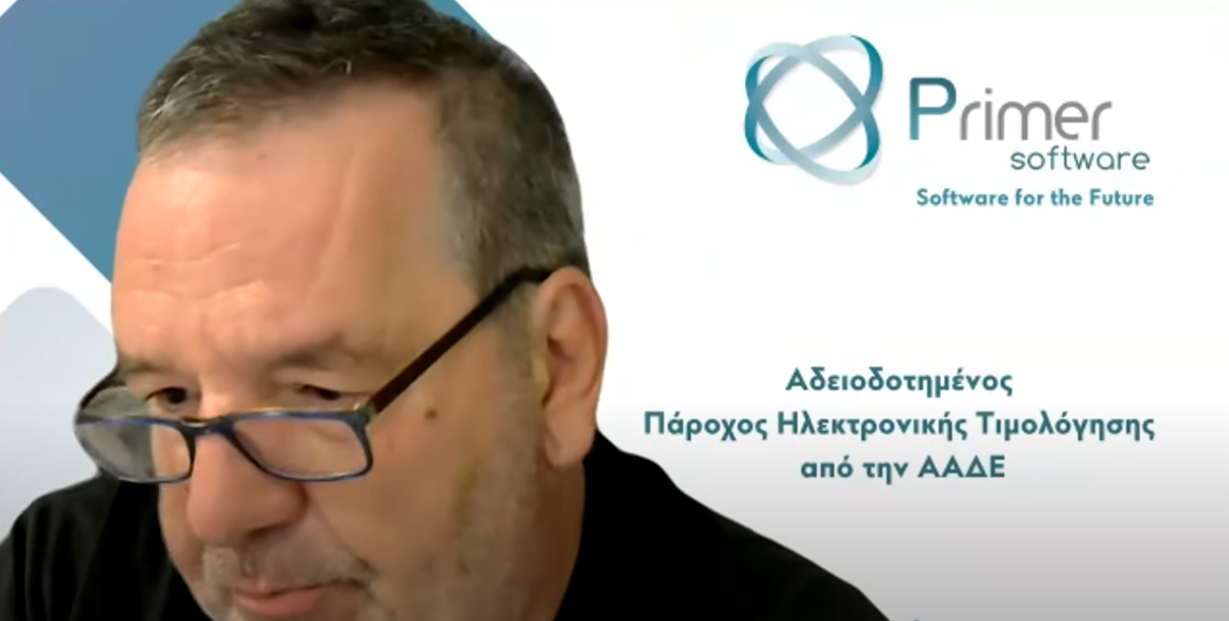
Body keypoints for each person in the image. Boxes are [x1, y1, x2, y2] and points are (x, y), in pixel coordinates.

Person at [0, 1, 890, 620]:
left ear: (555, 367)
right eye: (172, 398)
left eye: (315, 395)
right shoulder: (65, 578)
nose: (215, 514)